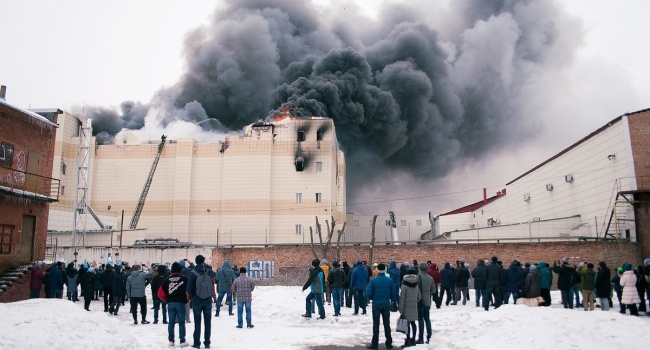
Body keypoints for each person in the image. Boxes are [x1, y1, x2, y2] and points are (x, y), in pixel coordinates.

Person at [187, 255, 216, 349]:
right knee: (208, 323)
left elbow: (189, 287)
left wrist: (192, 295)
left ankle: (197, 343)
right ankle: (207, 343)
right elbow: (214, 275)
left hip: (197, 300)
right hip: (207, 300)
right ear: (203, 261)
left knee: (197, 323)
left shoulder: (193, 273)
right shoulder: (208, 271)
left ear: (196, 261)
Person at [158, 262, 189, 348]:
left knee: (171, 322)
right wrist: (188, 299)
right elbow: (190, 289)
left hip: (170, 303)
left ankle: (171, 341)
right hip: (181, 302)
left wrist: (166, 299)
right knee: (181, 322)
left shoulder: (166, 280)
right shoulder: (184, 278)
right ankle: (182, 340)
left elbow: (160, 293)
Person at [365, 263, 394, 349]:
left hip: (376, 304)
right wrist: (392, 301)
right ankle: (389, 343)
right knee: (386, 324)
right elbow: (393, 293)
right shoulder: (389, 280)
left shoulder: (373, 281)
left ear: (377, 270)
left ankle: (375, 344)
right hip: (386, 303)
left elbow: (368, 293)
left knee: (376, 324)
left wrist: (370, 298)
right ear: (385, 270)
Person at [398, 270, 421, 348]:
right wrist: (414, 302)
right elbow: (419, 297)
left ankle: (408, 340)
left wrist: (401, 309)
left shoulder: (404, 285)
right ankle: (413, 339)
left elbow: (402, 298)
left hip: (406, 308)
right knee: (413, 323)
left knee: (407, 324)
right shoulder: (416, 285)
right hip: (414, 307)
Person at [416, 263, 434, 345]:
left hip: (419, 301)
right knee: (427, 319)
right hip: (427, 301)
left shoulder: (417, 277)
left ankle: (420, 337)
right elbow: (433, 290)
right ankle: (429, 336)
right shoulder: (430, 278)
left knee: (420, 319)